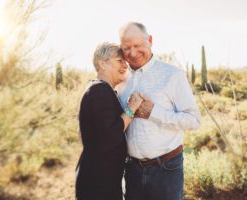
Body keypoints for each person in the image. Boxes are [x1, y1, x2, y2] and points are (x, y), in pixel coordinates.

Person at [118, 22, 201, 200]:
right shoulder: (120, 80)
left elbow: (194, 120)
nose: (132, 53)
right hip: (131, 171)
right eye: (127, 48)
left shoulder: (172, 75)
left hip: (166, 170)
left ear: (150, 40)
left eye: (137, 45)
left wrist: (154, 113)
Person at [75, 42, 144, 200]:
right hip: (98, 184)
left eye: (125, 62)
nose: (125, 66)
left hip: (99, 178)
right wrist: (131, 108)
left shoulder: (99, 89)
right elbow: (112, 133)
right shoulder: (100, 90)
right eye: (120, 61)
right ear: (102, 64)